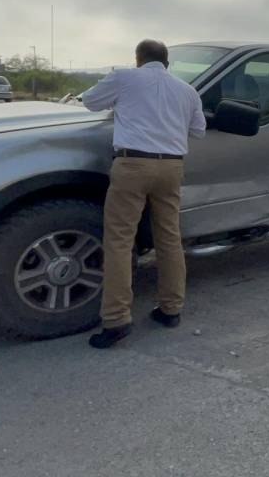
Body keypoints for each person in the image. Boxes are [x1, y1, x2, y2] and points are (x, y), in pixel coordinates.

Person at [82, 39, 206, 349]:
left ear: (138, 59)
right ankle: (170, 309)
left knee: (120, 240)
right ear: (167, 63)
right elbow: (199, 130)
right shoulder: (187, 90)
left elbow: (90, 102)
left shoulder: (124, 77)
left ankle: (116, 319)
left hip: (133, 165)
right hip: (171, 169)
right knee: (169, 238)